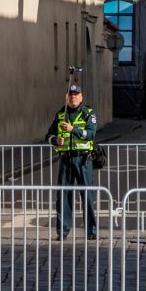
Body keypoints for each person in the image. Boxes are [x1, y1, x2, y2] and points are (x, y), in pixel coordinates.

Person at [45, 84, 98, 240]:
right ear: (66, 97)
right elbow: (48, 135)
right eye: (70, 94)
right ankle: (62, 231)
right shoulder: (61, 114)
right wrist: (55, 140)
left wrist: (72, 129)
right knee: (63, 195)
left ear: (81, 97)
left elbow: (90, 134)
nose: (73, 97)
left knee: (87, 195)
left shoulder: (88, 113)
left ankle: (91, 231)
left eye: (76, 95)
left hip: (83, 159)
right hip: (66, 159)